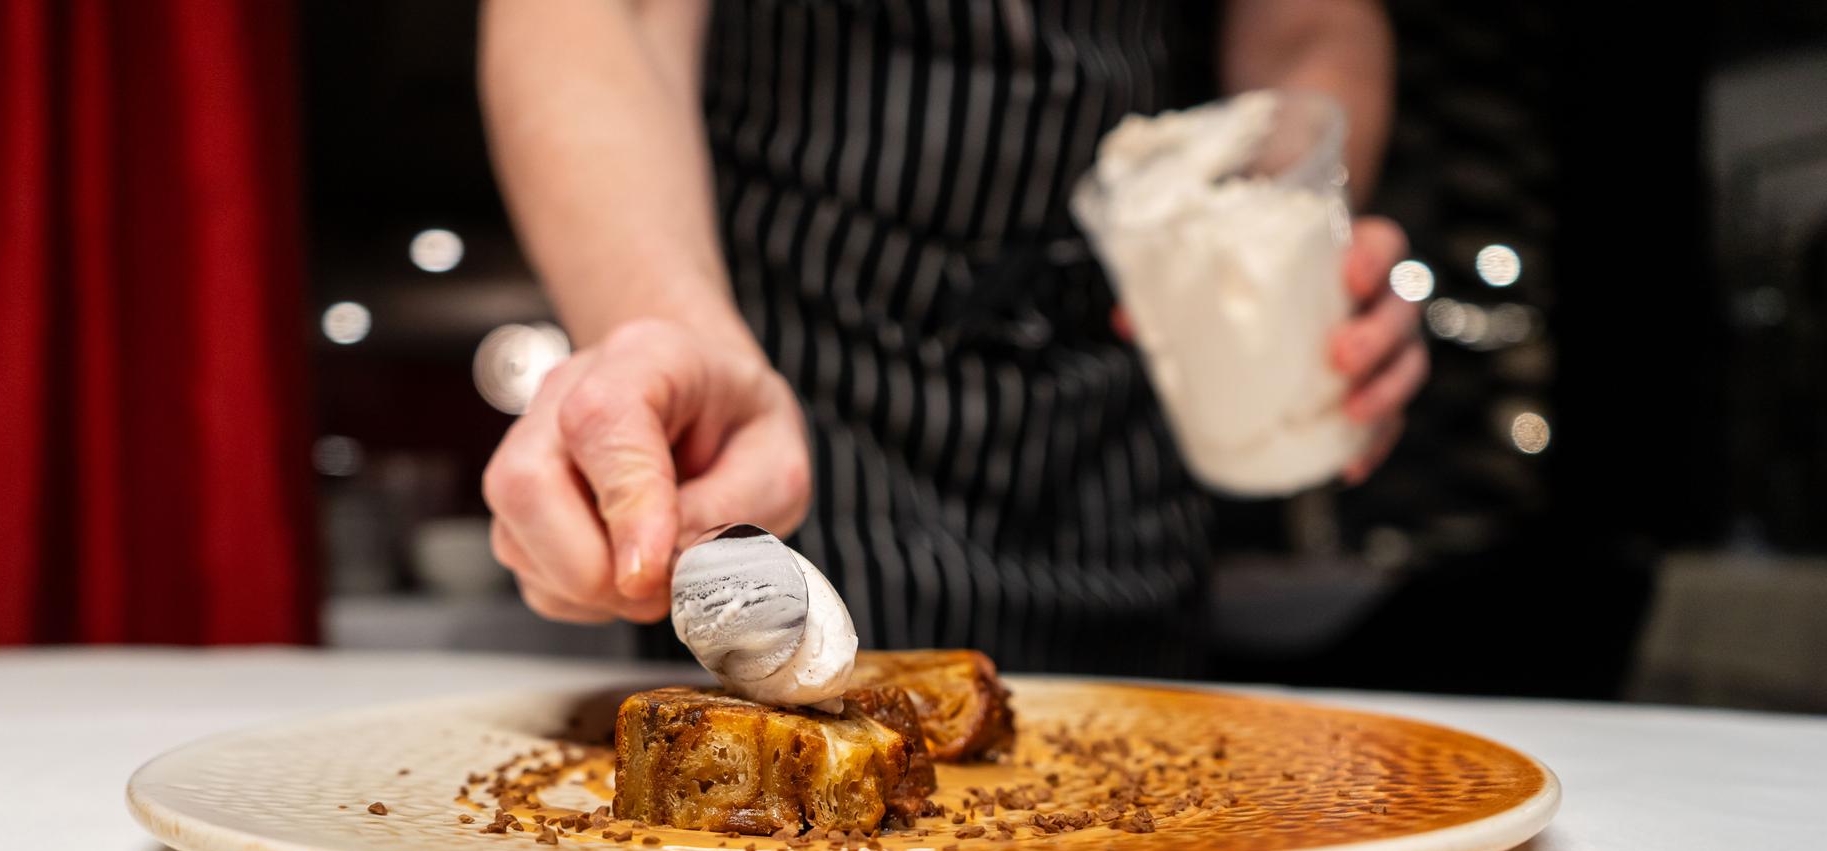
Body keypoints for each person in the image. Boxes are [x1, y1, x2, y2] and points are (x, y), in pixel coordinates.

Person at [479, 0, 1424, 676]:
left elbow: (1310, 26)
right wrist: (670, 330)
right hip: (798, 385)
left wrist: (1282, 247)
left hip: (1122, 399)